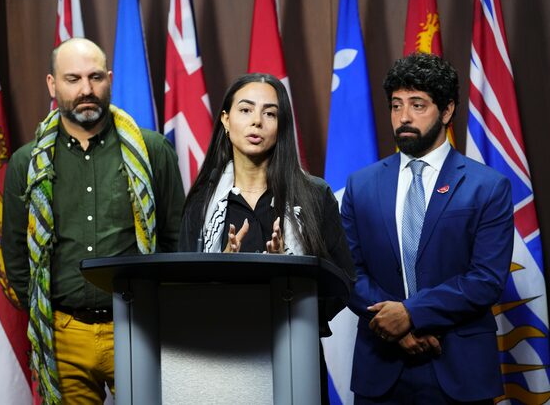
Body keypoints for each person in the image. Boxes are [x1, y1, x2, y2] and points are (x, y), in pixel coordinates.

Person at [2, 38, 184, 404]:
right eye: (73, 79)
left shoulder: (152, 150)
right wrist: (48, 315)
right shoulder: (27, 163)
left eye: (95, 77)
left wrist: (157, 311)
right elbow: (17, 252)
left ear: (109, 80)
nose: (86, 89)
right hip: (64, 334)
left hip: (138, 325)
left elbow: (176, 237)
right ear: (52, 84)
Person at [342, 53, 514, 404]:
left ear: (447, 111)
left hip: (458, 367)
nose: (403, 117)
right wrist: (395, 327)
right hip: (381, 368)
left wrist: (410, 315)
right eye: (396, 105)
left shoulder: (488, 187)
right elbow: (348, 271)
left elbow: (485, 279)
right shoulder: (361, 185)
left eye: (417, 105)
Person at [179, 72, 355, 403]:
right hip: (223, 360)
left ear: (281, 125)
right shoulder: (202, 202)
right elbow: (182, 293)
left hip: (296, 356)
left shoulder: (314, 195)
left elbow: (343, 281)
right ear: (226, 120)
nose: (257, 122)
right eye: (246, 110)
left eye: (269, 113)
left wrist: (290, 277)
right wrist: (220, 268)